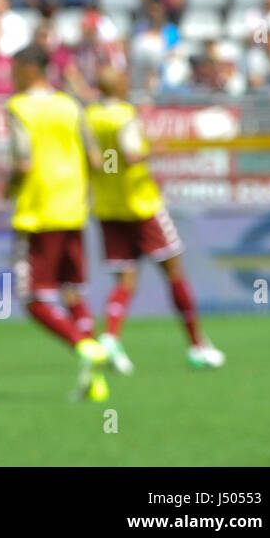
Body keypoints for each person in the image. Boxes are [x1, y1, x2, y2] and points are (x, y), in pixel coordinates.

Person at [86, 67, 225, 373]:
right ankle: (197, 345)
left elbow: (94, 159)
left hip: (109, 207)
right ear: (119, 84)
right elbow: (132, 153)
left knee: (125, 279)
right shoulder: (124, 115)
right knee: (174, 270)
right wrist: (154, 149)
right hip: (141, 206)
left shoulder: (91, 115)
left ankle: (110, 338)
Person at [6, 44, 111, 401]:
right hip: (74, 208)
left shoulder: (19, 107)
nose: (12, 77)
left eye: (16, 70)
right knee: (71, 292)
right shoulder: (71, 105)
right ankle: (95, 379)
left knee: (33, 299)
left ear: (30, 70)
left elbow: (22, 162)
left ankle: (85, 345)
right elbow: (97, 159)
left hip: (38, 211)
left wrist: (9, 188)